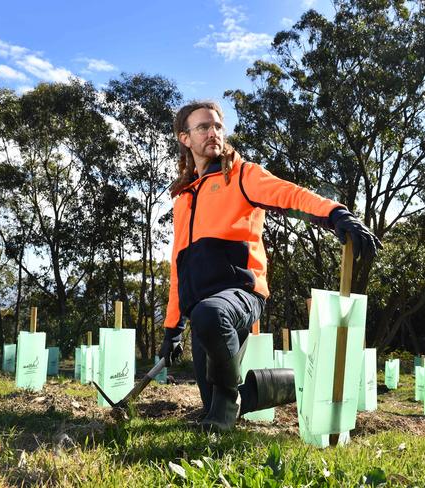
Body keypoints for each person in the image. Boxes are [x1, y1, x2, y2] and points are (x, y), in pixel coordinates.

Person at [159, 100, 381, 432]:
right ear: (185, 138)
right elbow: (179, 266)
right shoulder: (183, 200)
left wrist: (336, 214)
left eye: (218, 126)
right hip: (202, 307)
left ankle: (227, 404)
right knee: (216, 400)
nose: (213, 133)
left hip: (241, 293)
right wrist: (172, 330)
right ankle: (296, 383)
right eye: (203, 127)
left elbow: (291, 195)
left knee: (211, 317)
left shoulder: (242, 175)